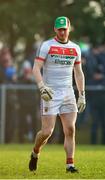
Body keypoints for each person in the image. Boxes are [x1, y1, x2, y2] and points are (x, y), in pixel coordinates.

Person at [28, 16, 86, 173]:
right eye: (59, 29)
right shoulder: (47, 46)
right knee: (47, 132)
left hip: (68, 92)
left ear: (69, 28)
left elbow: (79, 73)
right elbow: (36, 68)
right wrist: (41, 87)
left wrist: (82, 95)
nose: (62, 32)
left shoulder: (75, 48)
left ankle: (70, 165)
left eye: (64, 29)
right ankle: (35, 152)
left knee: (70, 129)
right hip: (50, 92)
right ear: (55, 29)